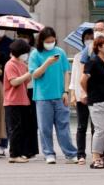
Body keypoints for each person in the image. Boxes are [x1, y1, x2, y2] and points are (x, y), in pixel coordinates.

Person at [28, 27, 76, 165]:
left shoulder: (60, 52)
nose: (51, 43)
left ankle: (70, 153)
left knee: (63, 126)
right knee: (45, 127)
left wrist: (66, 91)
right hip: (42, 97)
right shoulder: (35, 54)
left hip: (60, 95)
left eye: (53, 40)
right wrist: (47, 63)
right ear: (41, 40)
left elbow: (66, 72)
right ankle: (49, 153)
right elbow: (35, 74)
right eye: (48, 41)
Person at [81, 36, 104, 170]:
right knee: (100, 130)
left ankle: (101, 156)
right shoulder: (93, 61)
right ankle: (95, 158)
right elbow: (83, 80)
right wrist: (86, 93)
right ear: (99, 47)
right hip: (96, 101)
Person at [3, 39, 36, 163]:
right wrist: (28, 74)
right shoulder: (10, 64)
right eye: (25, 52)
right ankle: (13, 155)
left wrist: (29, 73)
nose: (26, 55)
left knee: (21, 128)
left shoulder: (22, 64)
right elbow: (14, 82)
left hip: (23, 100)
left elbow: (25, 82)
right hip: (12, 101)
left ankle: (20, 152)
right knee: (14, 128)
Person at [70, 28, 94, 164]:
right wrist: (73, 94)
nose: (89, 40)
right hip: (81, 95)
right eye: (87, 38)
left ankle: (99, 153)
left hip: (96, 95)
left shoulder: (100, 55)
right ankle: (81, 154)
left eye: (92, 37)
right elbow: (74, 77)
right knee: (81, 126)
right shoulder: (79, 56)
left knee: (97, 127)